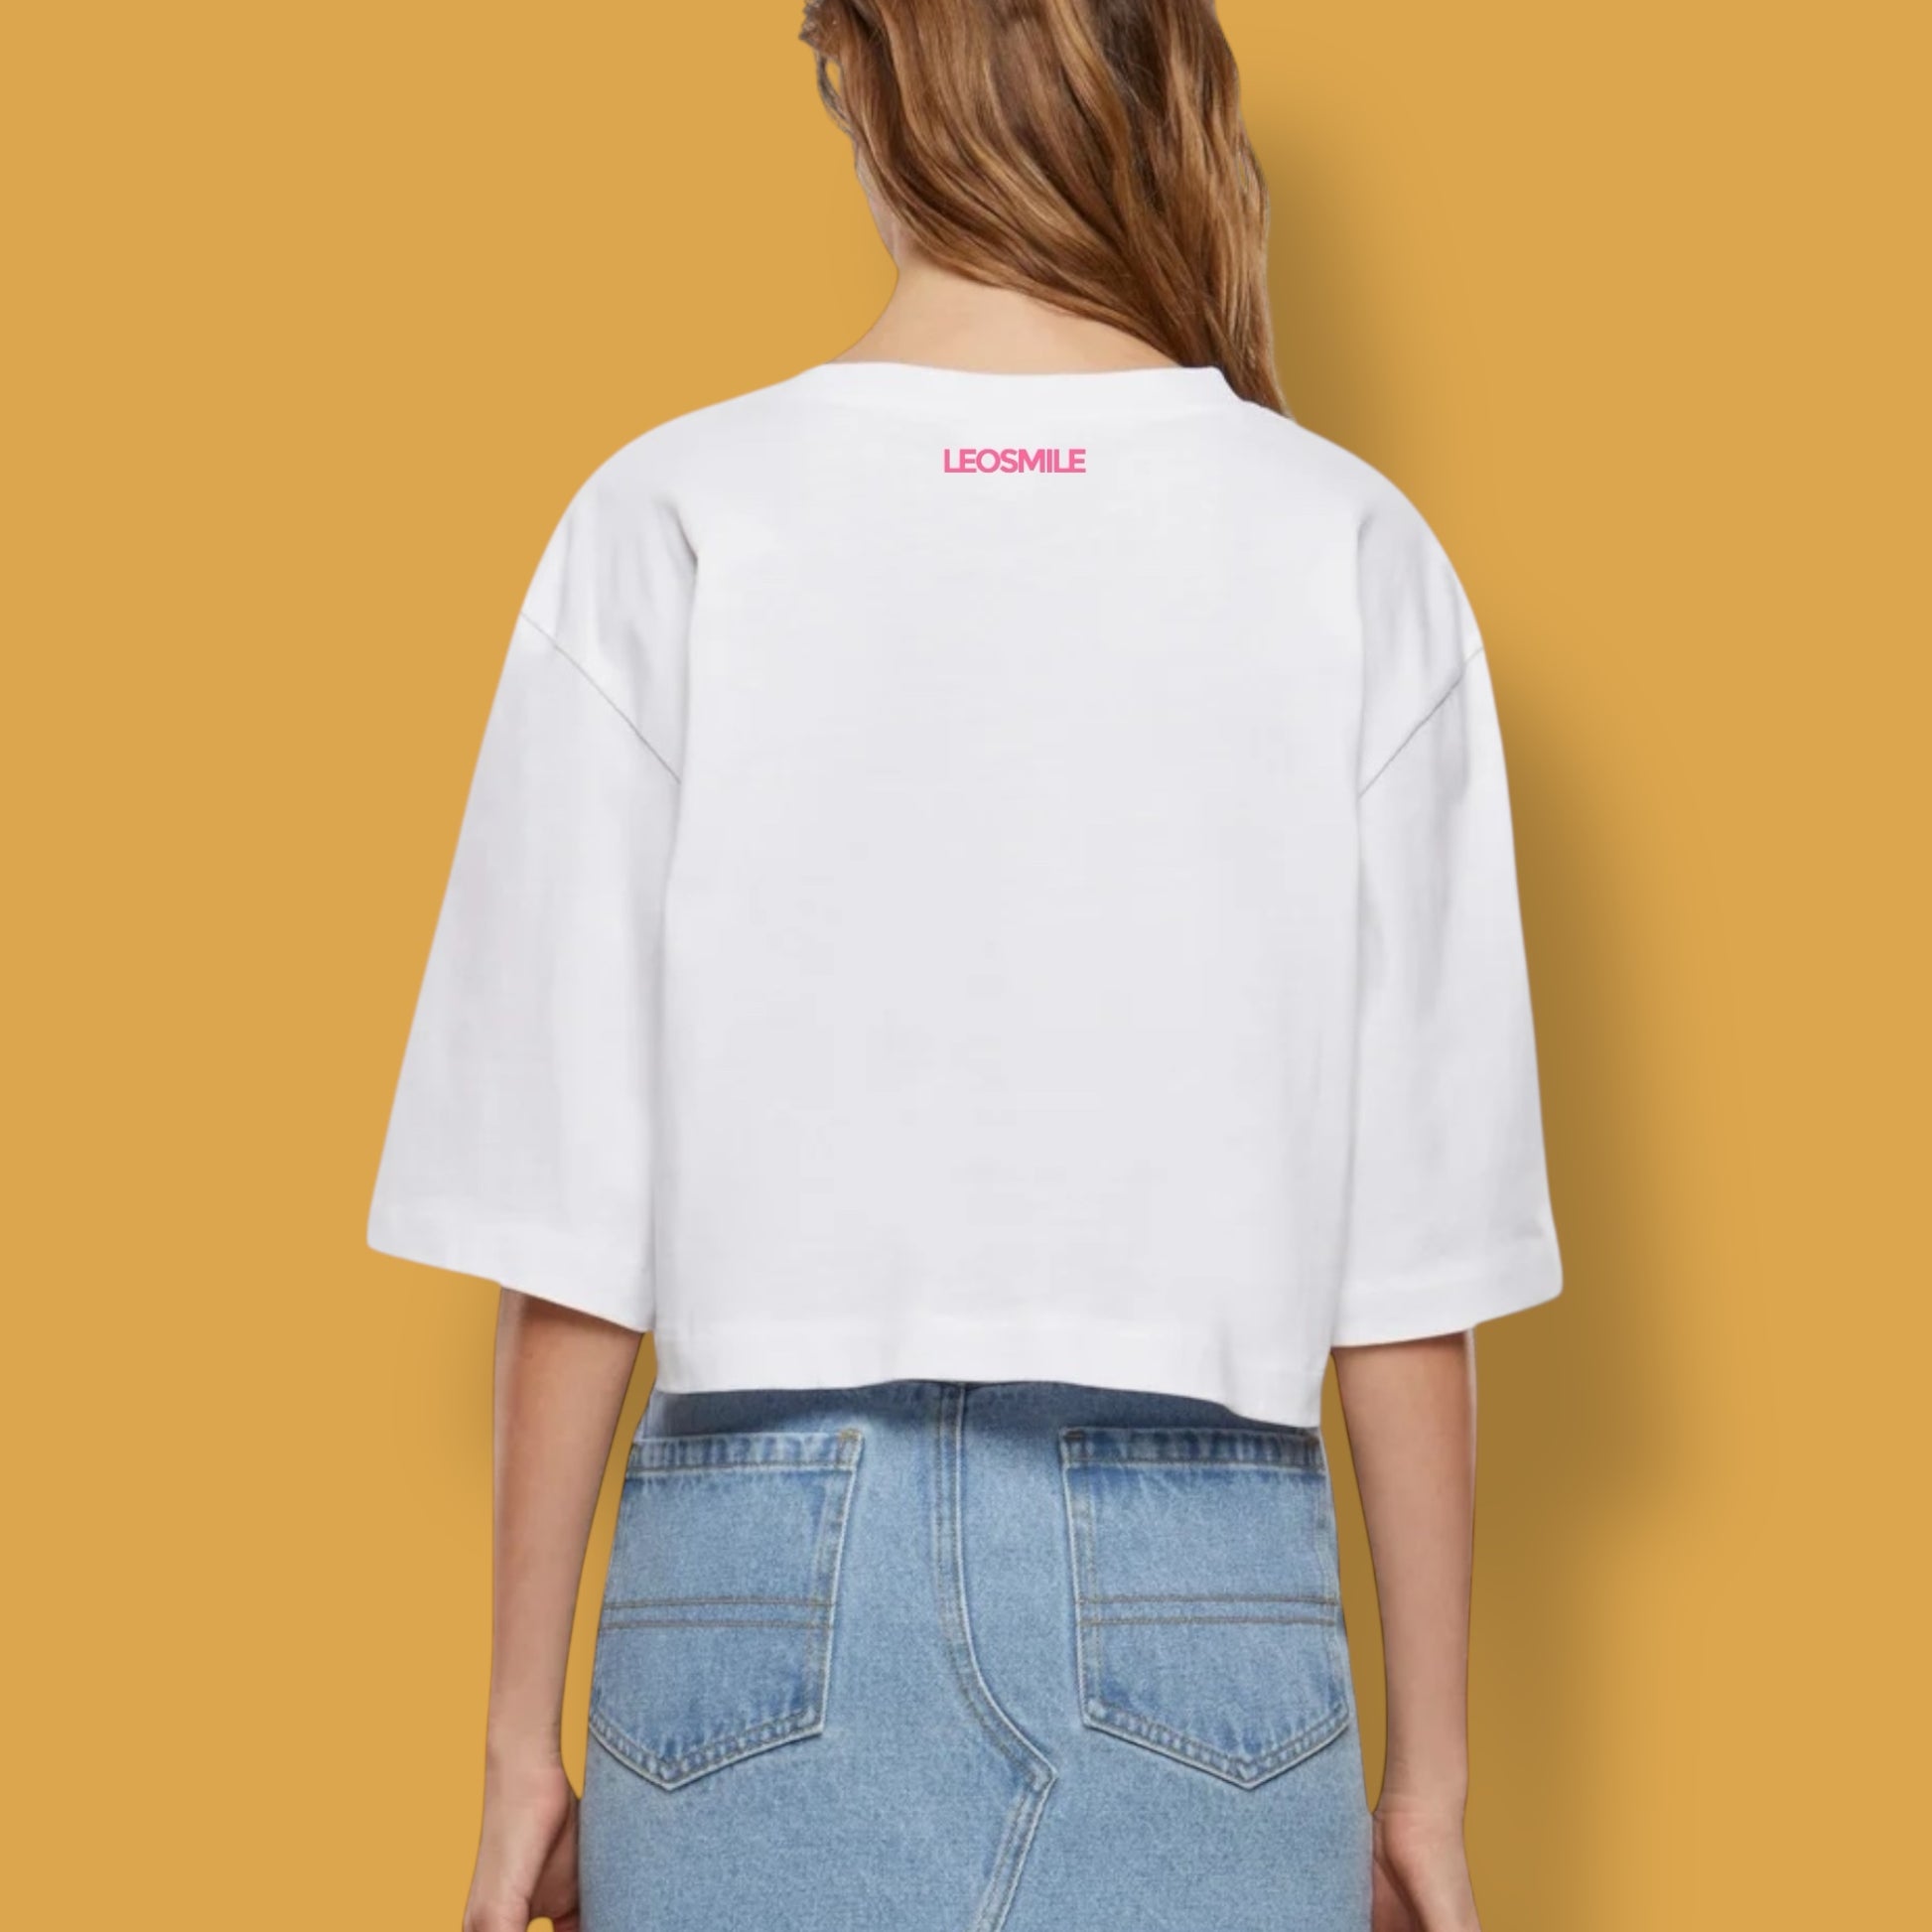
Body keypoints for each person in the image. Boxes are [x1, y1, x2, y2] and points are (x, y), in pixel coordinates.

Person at [365, 3, 1563, 1928]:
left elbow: (569, 1222)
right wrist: (1427, 1780)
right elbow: (1408, 1270)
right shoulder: (1346, 543)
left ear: (854, 72)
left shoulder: (670, 519)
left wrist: (518, 1746)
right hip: (1207, 1592)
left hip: (752, 1583)